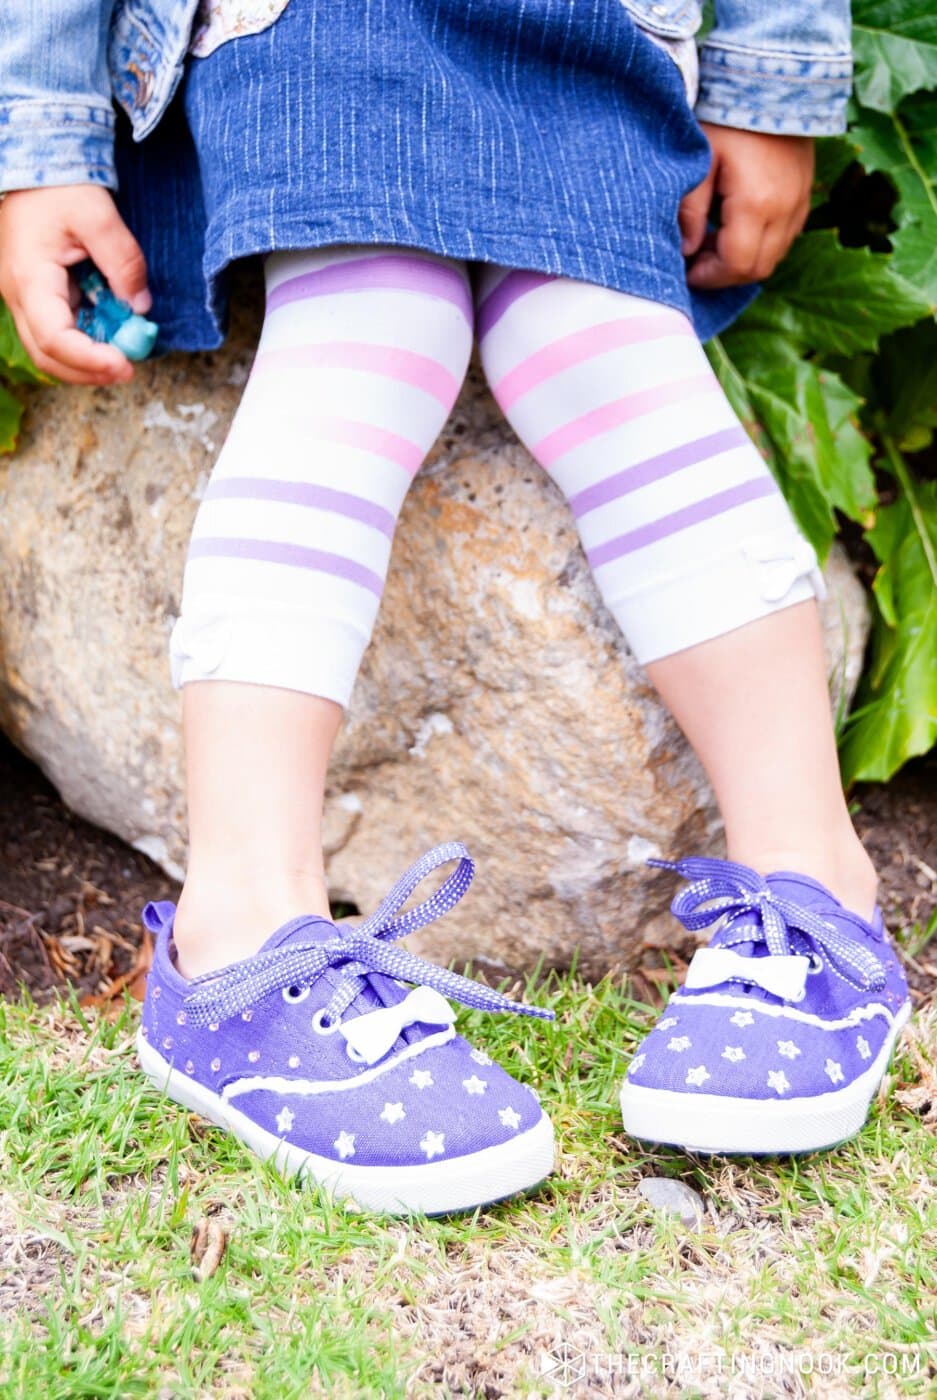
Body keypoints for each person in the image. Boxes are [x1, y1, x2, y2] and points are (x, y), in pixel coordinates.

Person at [0, 0, 909, 1212]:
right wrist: (41, 144)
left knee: (593, 343)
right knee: (374, 330)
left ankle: (811, 879)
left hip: (589, 35)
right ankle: (241, 931)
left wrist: (766, 83)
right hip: (310, 32)